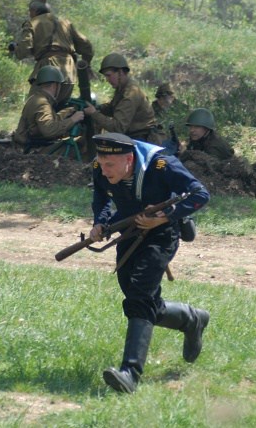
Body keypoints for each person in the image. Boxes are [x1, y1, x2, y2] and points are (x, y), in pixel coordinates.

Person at [90, 132, 210, 393]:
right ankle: (192, 320)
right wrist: (99, 222)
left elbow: (200, 194)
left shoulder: (161, 165)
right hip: (130, 232)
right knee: (138, 299)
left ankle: (130, 373)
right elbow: (101, 195)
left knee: (140, 295)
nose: (104, 169)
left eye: (111, 165)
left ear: (129, 159)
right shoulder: (100, 167)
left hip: (163, 233)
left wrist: (165, 217)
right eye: (102, 162)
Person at [12, 0, 94, 106]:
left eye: (30, 11)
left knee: (33, 109)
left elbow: (24, 50)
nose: (30, 14)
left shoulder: (33, 23)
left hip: (48, 70)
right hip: (69, 72)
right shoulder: (65, 23)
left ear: (34, 10)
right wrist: (86, 64)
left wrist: (16, 49)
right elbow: (86, 46)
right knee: (57, 109)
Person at [83, 53, 166, 146]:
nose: (107, 79)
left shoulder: (130, 95)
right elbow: (113, 107)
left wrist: (94, 113)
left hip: (143, 140)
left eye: (109, 75)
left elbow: (117, 127)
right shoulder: (123, 88)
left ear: (120, 72)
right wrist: (98, 108)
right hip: (134, 136)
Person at [12, 65, 84, 154]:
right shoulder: (43, 103)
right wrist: (73, 119)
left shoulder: (37, 98)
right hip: (34, 150)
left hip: (29, 145)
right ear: (54, 85)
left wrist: (69, 111)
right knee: (79, 145)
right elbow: (49, 130)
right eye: (60, 85)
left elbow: (50, 120)